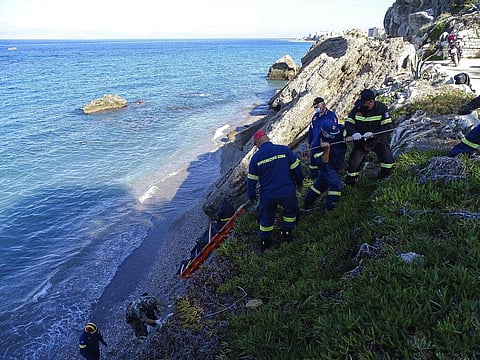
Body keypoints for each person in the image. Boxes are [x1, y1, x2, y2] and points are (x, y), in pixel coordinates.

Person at [246, 130, 304, 251]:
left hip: (268, 194)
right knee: (290, 212)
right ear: (267, 138)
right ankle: (287, 234)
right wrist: (299, 181)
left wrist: (251, 195)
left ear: (257, 143)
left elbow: (251, 180)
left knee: (266, 217)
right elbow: (296, 168)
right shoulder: (284, 150)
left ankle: (264, 242)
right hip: (286, 191)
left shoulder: (256, 157)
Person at [344, 89, 394, 185]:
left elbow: (387, 127)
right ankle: (350, 184)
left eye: (364, 102)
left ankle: (382, 180)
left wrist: (374, 134)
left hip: (377, 140)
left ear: (372, 101)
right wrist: (354, 133)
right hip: (361, 141)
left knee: (388, 162)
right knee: (353, 165)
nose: (362, 105)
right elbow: (349, 123)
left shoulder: (382, 109)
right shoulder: (357, 109)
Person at [303, 119, 347, 211]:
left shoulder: (336, 129)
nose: (334, 136)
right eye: (331, 135)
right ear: (324, 132)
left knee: (320, 184)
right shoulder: (317, 145)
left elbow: (346, 129)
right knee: (336, 185)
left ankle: (307, 203)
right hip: (327, 167)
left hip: (337, 162)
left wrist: (351, 135)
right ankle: (331, 207)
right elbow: (324, 162)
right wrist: (326, 150)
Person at [307, 97, 339, 178]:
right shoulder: (315, 116)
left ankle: (325, 179)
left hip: (324, 145)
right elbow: (311, 130)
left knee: (324, 163)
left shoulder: (331, 116)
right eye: (314, 107)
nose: (315, 109)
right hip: (315, 144)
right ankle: (312, 177)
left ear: (323, 104)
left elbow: (333, 132)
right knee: (313, 162)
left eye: (317, 107)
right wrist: (309, 142)